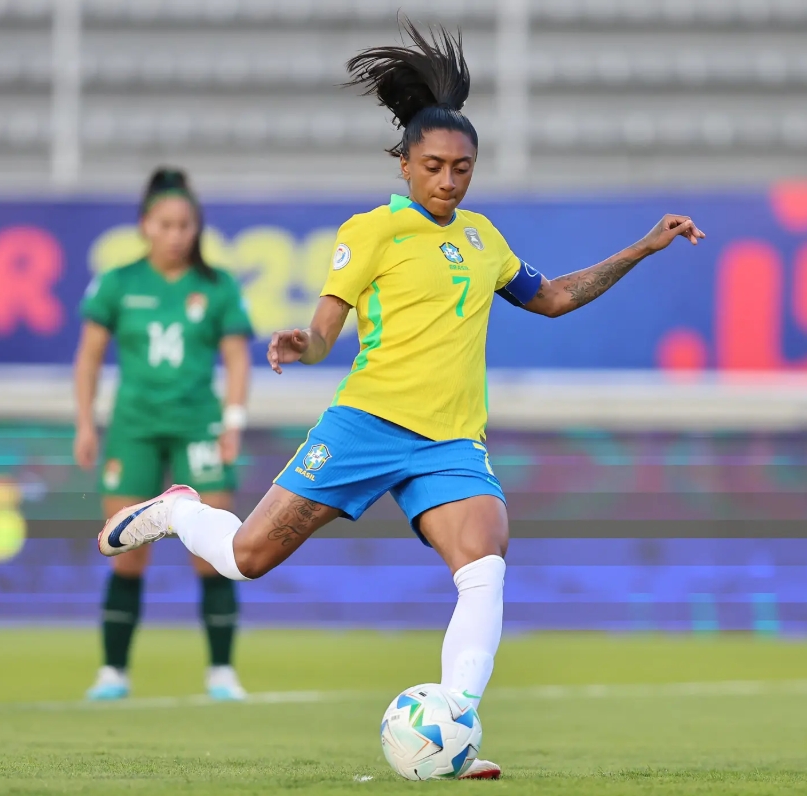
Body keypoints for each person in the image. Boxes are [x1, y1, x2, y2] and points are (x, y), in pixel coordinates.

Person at [94, 21, 705, 778]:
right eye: (434, 166)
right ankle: (181, 510)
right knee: (244, 561)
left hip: (449, 441)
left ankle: (453, 725)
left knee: (484, 559)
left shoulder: (484, 240)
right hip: (368, 425)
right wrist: (299, 345)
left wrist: (641, 248)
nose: (449, 181)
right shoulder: (373, 231)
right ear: (405, 163)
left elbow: (549, 298)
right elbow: (325, 331)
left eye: (462, 168)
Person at [74, 168, 253, 701]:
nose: (177, 234)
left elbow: (238, 358)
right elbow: (88, 358)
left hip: (198, 425)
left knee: (214, 549)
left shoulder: (216, 286)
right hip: (134, 429)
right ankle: (113, 673)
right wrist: (86, 420)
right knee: (127, 549)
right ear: (145, 226)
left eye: (186, 225)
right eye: (166, 224)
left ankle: (221, 672)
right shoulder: (118, 282)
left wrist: (233, 421)